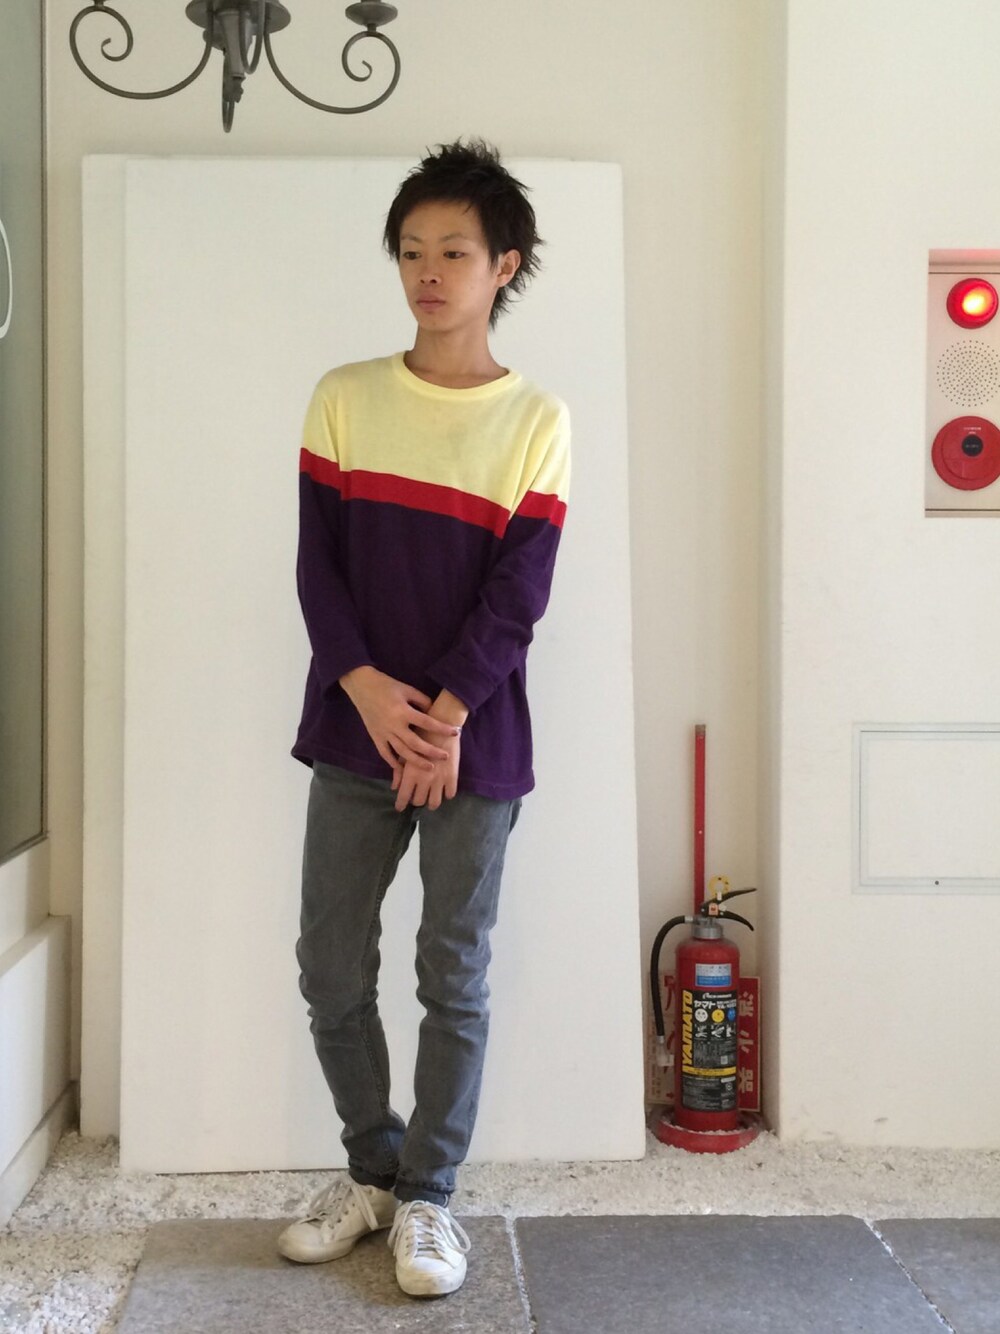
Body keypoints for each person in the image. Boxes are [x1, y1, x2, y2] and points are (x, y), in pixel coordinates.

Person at [277, 139, 571, 1298]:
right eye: (410, 251)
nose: (428, 273)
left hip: (472, 737)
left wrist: (444, 716)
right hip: (355, 724)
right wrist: (362, 685)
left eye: (454, 251)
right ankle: (373, 1170)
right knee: (328, 965)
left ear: (505, 265)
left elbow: (519, 593)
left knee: (453, 972)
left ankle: (430, 1197)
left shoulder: (536, 419)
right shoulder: (344, 397)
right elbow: (317, 565)